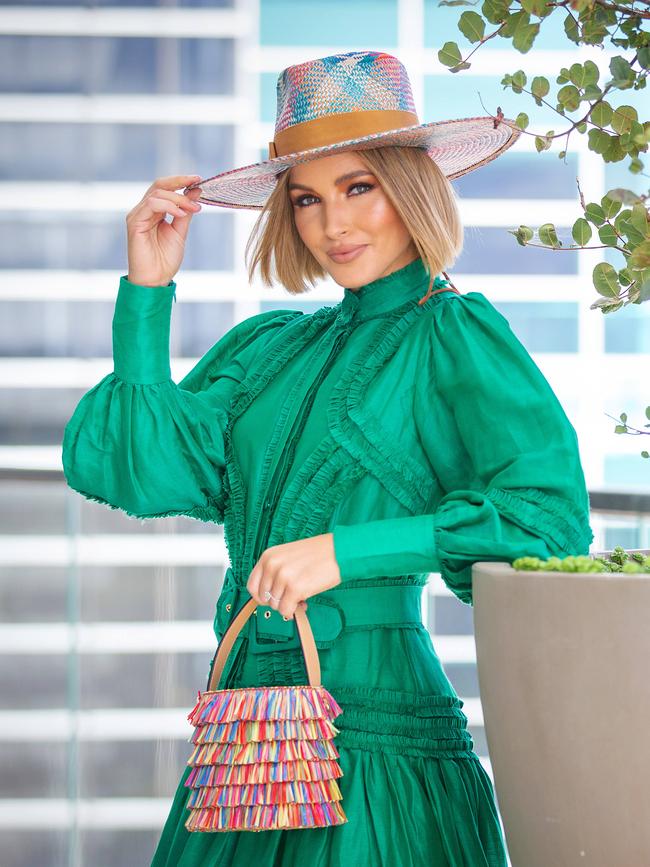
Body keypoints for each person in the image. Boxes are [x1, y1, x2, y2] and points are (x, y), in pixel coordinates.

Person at [61, 50, 594, 866]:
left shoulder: (454, 336)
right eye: (307, 200)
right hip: (243, 740)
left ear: (408, 188)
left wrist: (346, 552)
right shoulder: (271, 348)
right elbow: (138, 470)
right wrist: (147, 291)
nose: (332, 226)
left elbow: (551, 523)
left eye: (358, 189)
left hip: (378, 737)